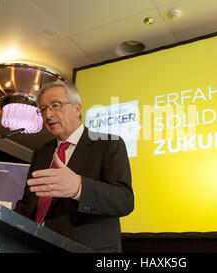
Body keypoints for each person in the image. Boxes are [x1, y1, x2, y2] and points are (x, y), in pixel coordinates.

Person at [14, 81, 134, 253]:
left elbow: (124, 201)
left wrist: (79, 187)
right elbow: (28, 203)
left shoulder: (108, 144)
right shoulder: (41, 153)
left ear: (77, 109)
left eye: (56, 105)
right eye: (43, 109)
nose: (48, 114)